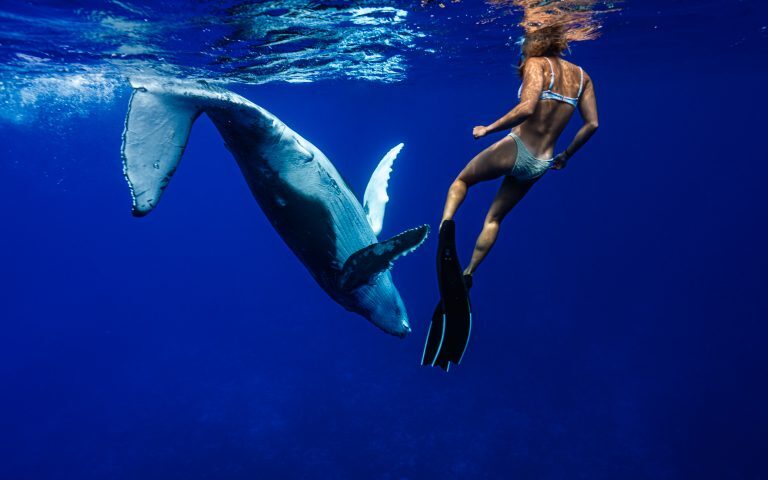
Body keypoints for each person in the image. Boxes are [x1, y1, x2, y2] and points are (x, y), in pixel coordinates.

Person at [441, 25, 599, 281]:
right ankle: (468, 273)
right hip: (542, 163)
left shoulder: (536, 64)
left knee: (461, 181)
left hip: (516, 148)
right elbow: (592, 124)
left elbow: (527, 109)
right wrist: (567, 155)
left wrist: (487, 129)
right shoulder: (582, 77)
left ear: (536, 40)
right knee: (494, 219)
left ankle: (444, 228)